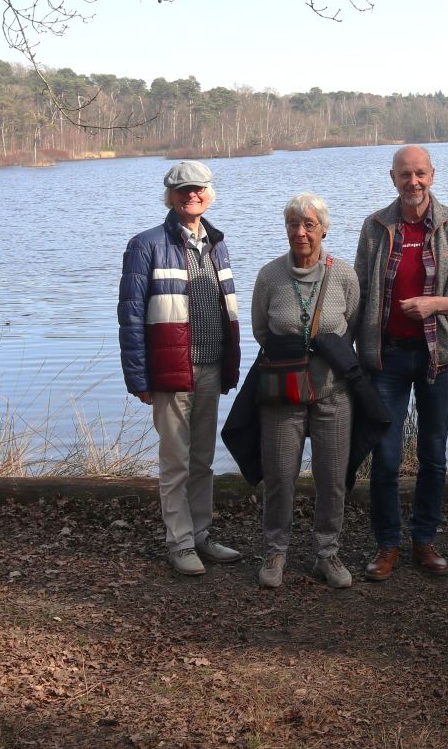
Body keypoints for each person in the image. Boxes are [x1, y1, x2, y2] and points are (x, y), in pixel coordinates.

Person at [354, 145, 448, 580]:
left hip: (439, 358)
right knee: (386, 457)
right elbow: (358, 293)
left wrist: (434, 304)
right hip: (386, 357)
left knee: (431, 454)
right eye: (405, 174)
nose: (413, 182)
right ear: (393, 178)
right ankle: (387, 544)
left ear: (432, 175)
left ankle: (425, 539)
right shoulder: (376, 226)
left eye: (420, 173)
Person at [117, 160, 243, 576]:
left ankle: (201, 535)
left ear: (209, 194)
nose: (192, 195)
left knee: (203, 461)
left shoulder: (217, 243)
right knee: (176, 464)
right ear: (170, 196)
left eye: (199, 188)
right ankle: (180, 543)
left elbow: (227, 312)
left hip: (210, 368)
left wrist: (230, 367)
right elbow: (131, 316)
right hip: (171, 372)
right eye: (184, 189)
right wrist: (139, 378)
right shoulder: (146, 245)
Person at [248, 194, 359, 589]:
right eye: (293, 224)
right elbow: (261, 330)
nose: (300, 232)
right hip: (283, 395)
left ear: (323, 230)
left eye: (309, 225)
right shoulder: (269, 276)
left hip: (333, 393)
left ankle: (327, 552)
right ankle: (275, 551)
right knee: (279, 475)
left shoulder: (343, 275)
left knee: (332, 477)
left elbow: (351, 327)